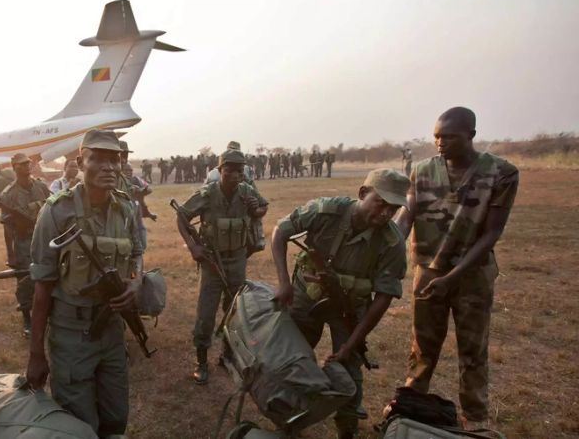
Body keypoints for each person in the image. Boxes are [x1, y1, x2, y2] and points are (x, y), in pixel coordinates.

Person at [397, 107, 518, 429]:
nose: (440, 143)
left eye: (449, 136)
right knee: (423, 345)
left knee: (472, 348)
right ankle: (411, 402)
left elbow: (492, 232)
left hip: (472, 275)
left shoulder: (501, 173)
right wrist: (390, 248)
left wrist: (452, 277)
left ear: (471, 136)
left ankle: (475, 418)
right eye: (437, 136)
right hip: (428, 273)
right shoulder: (422, 171)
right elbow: (407, 216)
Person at [271, 168, 410, 439]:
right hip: (305, 293)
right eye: (380, 203)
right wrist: (284, 282)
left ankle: (347, 428)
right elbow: (280, 232)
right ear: (362, 194)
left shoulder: (392, 242)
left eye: (393, 209)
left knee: (349, 371)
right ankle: (288, 419)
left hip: (349, 306)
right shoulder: (325, 211)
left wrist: (351, 344)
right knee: (292, 357)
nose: (385, 213)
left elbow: (383, 298)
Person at [26, 130, 143, 436]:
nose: (108, 167)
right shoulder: (56, 211)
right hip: (71, 335)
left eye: (114, 160)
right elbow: (41, 288)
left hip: (112, 332)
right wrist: (36, 353)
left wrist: (136, 282)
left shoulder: (126, 208)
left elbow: (138, 254)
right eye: (98, 159)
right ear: (80, 161)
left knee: (116, 418)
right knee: (79, 426)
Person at [175, 148, 268, 385]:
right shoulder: (207, 194)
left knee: (234, 310)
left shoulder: (247, 191)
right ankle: (201, 360)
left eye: (239, 170)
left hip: (237, 260)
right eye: (229, 170)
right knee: (206, 313)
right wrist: (193, 247)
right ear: (220, 170)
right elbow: (182, 217)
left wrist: (254, 208)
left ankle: (227, 355)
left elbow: (262, 209)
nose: (234, 175)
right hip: (212, 263)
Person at [0, 153, 51, 336]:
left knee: (49, 275)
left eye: (28, 163)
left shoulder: (41, 186)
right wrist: (10, 254)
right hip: (23, 242)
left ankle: (49, 313)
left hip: (44, 240)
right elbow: (7, 227)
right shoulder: (8, 194)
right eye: (21, 164)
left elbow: (52, 210)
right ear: (14, 167)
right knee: (25, 280)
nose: (27, 166)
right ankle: (27, 318)